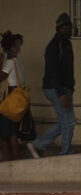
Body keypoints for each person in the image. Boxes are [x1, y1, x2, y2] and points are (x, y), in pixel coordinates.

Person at [33, 13, 76, 155]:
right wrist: (62, 93)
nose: (68, 30)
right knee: (68, 122)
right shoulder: (53, 47)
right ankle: (65, 152)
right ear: (58, 29)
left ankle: (39, 144)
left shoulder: (66, 44)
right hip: (55, 89)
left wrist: (69, 89)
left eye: (69, 27)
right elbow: (53, 72)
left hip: (63, 89)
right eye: (65, 27)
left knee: (66, 122)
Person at [0, 31, 39, 161]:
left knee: (6, 132)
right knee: (15, 132)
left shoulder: (9, 63)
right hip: (20, 97)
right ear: (11, 47)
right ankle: (16, 159)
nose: (19, 47)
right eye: (18, 45)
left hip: (11, 99)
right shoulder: (19, 62)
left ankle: (9, 159)